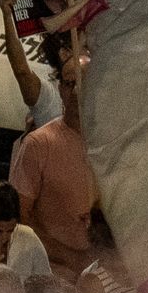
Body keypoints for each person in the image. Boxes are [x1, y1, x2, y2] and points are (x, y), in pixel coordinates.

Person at [9, 53, 95, 281]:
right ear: (60, 89)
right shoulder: (39, 144)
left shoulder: (113, 140)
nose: (76, 92)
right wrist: (69, 257)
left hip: (105, 275)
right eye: (70, 84)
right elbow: (20, 214)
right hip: (56, 275)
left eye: (84, 83)